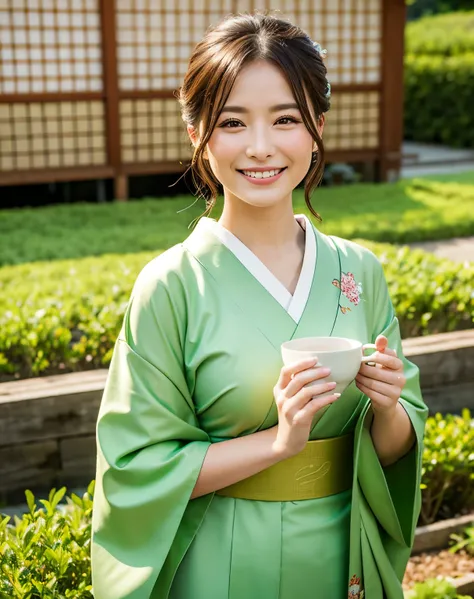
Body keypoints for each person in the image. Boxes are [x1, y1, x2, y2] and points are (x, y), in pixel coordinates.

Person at [91, 10, 428, 599]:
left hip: (343, 554)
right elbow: (136, 465)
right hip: (222, 559)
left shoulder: (359, 272)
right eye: (232, 122)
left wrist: (388, 409)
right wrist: (278, 444)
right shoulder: (171, 286)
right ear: (197, 133)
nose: (261, 147)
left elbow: (400, 444)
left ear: (317, 126)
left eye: (286, 119)